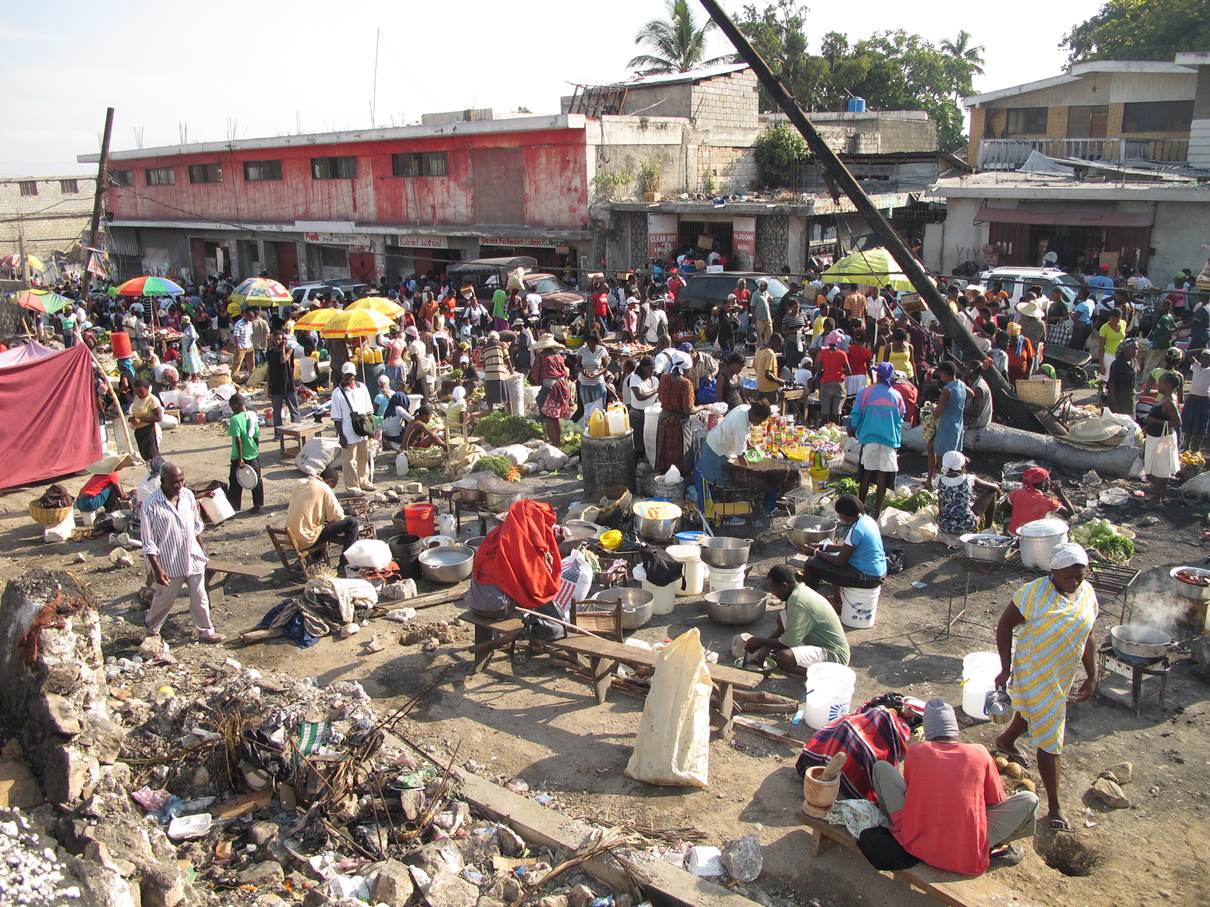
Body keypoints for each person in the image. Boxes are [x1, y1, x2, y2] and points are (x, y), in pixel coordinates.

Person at [994, 543, 1097, 833]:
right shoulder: (1034, 594)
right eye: (1068, 577)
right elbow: (1004, 626)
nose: (1074, 582)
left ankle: (1005, 741)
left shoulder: (1086, 594)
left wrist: (1092, 675)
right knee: (1050, 739)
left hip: (1062, 674)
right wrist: (1005, 667)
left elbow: (1088, 633)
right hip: (1034, 671)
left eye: (1079, 575)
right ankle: (1055, 806)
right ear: (1053, 572)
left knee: (1031, 710)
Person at [873, 698, 1038, 873]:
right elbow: (995, 801)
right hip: (964, 855)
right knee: (1030, 799)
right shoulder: (979, 753)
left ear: (928, 730)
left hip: (915, 844)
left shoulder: (915, 751)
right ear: (955, 729)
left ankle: (894, 824)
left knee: (881, 768)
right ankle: (995, 846)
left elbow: (912, 792)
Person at [140, 462, 223, 644]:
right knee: (164, 599)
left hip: (192, 557)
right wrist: (157, 569)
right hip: (169, 562)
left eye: (182, 481)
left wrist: (202, 549)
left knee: (200, 596)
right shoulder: (151, 505)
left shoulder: (187, 496)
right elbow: (148, 542)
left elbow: (196, 525)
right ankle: (152, 630)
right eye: (175, 482)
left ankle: (206, 631)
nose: (179, 485)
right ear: (163, 482)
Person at [742, 565, 850, 673]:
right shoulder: (798, 591)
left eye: (773, 589)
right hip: (820, 642)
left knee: (784, 657)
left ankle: (822, 675)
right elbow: (784, 633)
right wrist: (765, 647)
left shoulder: (797, 601)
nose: (773, 594)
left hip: (835, 655)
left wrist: (761, 642)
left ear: (784, 585)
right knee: (783, 617)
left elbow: (788, 643)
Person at [800, 494, 886, 606]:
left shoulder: (856, 530)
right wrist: (823, 547)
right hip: (878, 572)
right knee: (830, 557)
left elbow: (840, 562)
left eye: (839, 514)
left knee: (811, 564)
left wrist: (815, 552)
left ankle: (808, 604)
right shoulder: (868, 521)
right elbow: (847, 548)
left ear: (845, 515)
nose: (839, 517)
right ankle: (838, 600)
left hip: (867, 577)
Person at [849, 363, 905, 518]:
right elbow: (901, 417)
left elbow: (856, 415)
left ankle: (859, 511)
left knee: (866, 473)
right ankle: (877, 513)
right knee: (882, 476)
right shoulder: (897, 395)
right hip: (889, 440)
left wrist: (853, 427)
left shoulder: (866, 392)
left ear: (877, 375)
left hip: (870, 437)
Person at [286, 464, 360, 569]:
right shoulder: (324, 487)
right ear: (329, 481)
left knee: (320, 525)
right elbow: (337, 516)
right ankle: (344, 564)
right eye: (332, 487)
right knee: (352, 523)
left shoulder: (300, 483)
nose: (331, 489)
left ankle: (315, 559)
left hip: (291, 536)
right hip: (306, 538)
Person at [696, 400, 772, 486]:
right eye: (760, 420)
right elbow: (740, 456)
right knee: (714, 484)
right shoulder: (741, 425)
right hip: (716, 450)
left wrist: (750, 446)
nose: (760, 423)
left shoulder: (745, 408)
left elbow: (743, 437)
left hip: (716, 440)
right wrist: (750, 472)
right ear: (756, 415)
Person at [330, 362, 375, 493]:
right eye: (347, 375)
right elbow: (336, 418)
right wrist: (341, 436)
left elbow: (369, 411)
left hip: (362, 429)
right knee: (349, 461)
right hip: (348, 431)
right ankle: (352, 487)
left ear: (355, 375)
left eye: (351, 375)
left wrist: (371, 429)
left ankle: (363, 481)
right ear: (343, 375)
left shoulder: (362, 388)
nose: (349, 378)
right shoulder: (337, 393)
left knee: (363, 457)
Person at [937, 451, 1000, 535]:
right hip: (965, 525)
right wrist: (998, 495)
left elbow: (941, 503)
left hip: (944, 524)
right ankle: (987, 530)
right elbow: (995, 487)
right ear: (962, 465)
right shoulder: (969, 478)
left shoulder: (939, 479)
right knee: (992, 493)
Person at [1143, 371, 1181, 504]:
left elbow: (1177, 422)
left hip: (1162, 441)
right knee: (1160, 468)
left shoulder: (1170, 403)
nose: (1158, 384)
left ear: (1169, 385)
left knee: (1160, 469)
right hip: (1157, 438)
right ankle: (1161, 496)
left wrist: (1155, 421)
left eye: (1162, 382)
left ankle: (1157, 498)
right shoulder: (1165, 398)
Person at [926, 362, 967, 489]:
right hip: (958, 426)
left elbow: (937, 414)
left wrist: (932, 407)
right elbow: (971, 394)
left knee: (943, 460)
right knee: (955, 458)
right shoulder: (961, 385)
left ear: (944, 374)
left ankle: (941, 487)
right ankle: (958, 484)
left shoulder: (947, 390)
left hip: (946, 427)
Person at [654, 361, 698, 474]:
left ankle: (664, 475)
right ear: (685, 369)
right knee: (680, 453)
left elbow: (660, 396)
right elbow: (688, 409)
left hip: (664, 420)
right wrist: (704, 407)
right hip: (679, 424)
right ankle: (680, 478)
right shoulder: (686, 383)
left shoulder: (664, 378)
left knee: (665, 450)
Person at [529, 333, 572, 446]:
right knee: (555, 415)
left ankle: (553, 441)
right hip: (562, 386)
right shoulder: (558, 356)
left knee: (547, 413)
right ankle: (557, 440)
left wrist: (537, 381)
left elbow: (535, 374)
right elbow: (565, 372)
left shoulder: (542, 356)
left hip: (551, 387)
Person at [1005, 466, 1073, 534]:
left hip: (1013, 533)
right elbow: (1070, 512)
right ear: (1043, 484)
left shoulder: (1017, 493)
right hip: (1032, 538)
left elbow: (1003, 507)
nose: (1049, 482)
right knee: (1068, 520)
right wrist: (1060, 493)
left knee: (1010, 512)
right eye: (1048, 480)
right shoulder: (1048, 501)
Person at [226, 394, 264, 513]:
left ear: (236, 405)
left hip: (239, 455)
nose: (232, 410)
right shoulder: (252, 416)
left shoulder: (235, 419)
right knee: (256, 479)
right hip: (253, 453)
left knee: (235, 481)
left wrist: (240, 458)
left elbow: (238, 439)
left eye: (232, 407)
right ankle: (258, 504)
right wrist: (255, 450)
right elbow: (257, 436)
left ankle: (234, 506)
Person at [265, 329, 300, 435]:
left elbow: (283, 359)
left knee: (294, 409)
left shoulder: (289, 350)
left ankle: (297, 431)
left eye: (280, 339)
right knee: (277, 412)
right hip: (276, 385)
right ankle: (278, 434)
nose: (278, 342)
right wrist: (269, 386)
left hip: (288, 383)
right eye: (276, 340)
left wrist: (284, 347)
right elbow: (269, 370)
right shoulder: (270, 353)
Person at [624, 356, 659, 458]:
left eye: (653, 369)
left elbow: (658, 398)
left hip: (651, 415)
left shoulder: (655, 380)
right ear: (643, 367)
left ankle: (647, 463)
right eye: (650, 369)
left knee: (650, 442)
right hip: (637, 415)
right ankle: (637, 465)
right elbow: (639, 396)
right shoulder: (635, 378)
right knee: (639, 444)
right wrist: (656, 390)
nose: (652, 371)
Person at [816, 330, 850, 425]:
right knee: (836, 412)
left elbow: (818, 370)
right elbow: (849, 371)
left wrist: (826, 371)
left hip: (826, 384)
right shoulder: (842, 354)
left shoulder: (822, 353)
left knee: (824, 412)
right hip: (838, 385)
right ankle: (836, 432)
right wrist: (839, 371)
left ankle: (822, 430)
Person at [576, 332, 610, 418]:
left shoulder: (602, 350)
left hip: (597, 383)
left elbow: (605, 367)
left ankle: (599, 428)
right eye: (588, 342)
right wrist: (583, 371)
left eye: (592, 342)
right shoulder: (582, 349)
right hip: (584, 384)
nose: (589, 344)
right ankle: (590, 428)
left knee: (599, 410)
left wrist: (598, 373)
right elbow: (577, 366)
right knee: (587, 409)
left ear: (596, 342)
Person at [130, 379, 163, 465]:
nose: (138, 394)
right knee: (144, 454)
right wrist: (132, 419)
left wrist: (141, 420)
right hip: (139, 430)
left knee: (152, 454)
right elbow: (136, 412)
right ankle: (151, 472)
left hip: (149, 430)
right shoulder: (137, 398)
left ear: (148, 389)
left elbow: (159, 417)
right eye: (136, 391)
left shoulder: (152, 400)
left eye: (141, 391)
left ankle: (158, 472)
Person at [1183, 349, 1210, 452]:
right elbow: (1188, 353)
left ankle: (1196, 447)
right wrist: (1202, 349)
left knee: (1201, 425)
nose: (1205, 360)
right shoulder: (1196, 366)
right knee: (1189, 422)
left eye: (1207, 358)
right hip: (1192, 399)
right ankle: (1186, 446)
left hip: (1204, 401)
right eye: (1203, 357)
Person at [1105, 338, 1138, 417]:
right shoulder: (1117, 364)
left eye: (1136, 349)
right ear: (1125, 349)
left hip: (1130, 400)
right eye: (1133, 349)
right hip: (1119, 400)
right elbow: (1111, 385)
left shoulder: (1134, 362)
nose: (1135, 351)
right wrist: (1114, 403)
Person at [483, 331, 511, 407]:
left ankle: (491, 414)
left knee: (490, 399)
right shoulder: (501, 345)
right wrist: (511, 372)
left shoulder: (484, 348)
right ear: (497, 338)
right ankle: (510, 414)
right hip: (500, 374)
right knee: (507, 397)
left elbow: (483, 363)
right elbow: (507, 359)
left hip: (489, 376)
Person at [754, 334, 783, 402]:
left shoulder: (758, 351)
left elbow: (756, 368)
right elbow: (768, 375)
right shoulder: (770, 353)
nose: (778, 349)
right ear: (774, 342)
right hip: (770, 390)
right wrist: (779, 381)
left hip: (760, 387)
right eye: (778, 346)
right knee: (771, 410)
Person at [1097, 307, 1126, 376]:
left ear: (1120, 317)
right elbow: (1101, 347)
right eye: (1113, 319)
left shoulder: (1123, 323)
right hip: (1109, 356)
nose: (1115, 322)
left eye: (1117, 320)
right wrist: (1101, 365)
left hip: (1121, 356)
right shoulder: (1104, 328)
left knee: (1117, 378)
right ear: (1110, 317)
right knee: (1105, 378)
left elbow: (1123, 338)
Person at [965, 362, 993, 430]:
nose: (965, 371)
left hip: (979, 424)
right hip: (980, 422)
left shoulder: (978, 387)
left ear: (972, 371)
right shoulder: (977, 382)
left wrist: (962, 410)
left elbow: (975, 412)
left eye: (967, 369)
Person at [231, 308, 254, 380]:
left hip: (249, 345)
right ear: (245, 315)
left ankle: (252, 376)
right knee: (237, 363)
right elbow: (236, 336)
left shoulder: (250, 323)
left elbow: (250, 334)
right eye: (250, 317)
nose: (251, 319)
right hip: (241, 346)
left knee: (251, 363)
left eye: (252, 318)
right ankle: (234, 377)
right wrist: (238, 346)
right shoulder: (238, 324)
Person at [751, 279, 773, 346]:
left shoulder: (766, 293)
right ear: (761, 286)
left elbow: (770, 297)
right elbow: (752, 306)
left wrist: (771, 297)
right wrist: (753, 317)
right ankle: (758, 351)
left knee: (769, 334)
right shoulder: (755, 294)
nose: (767, 288)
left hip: (768, 318)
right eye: (765, 286)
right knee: (759, 336)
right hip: (760, 319)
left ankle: (768, 349)